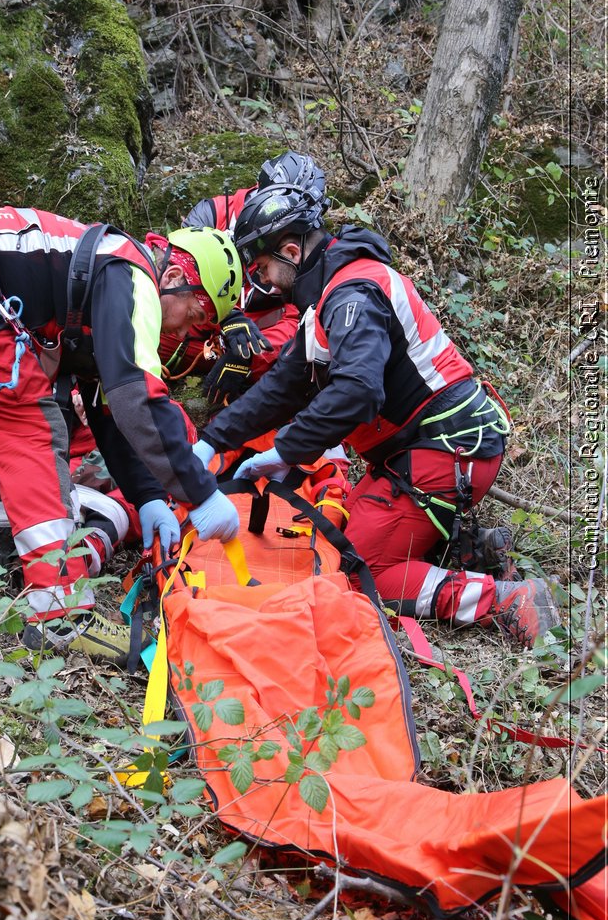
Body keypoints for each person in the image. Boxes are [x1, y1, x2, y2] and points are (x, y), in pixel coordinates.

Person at [0, 203, 243, 663]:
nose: (183, 332)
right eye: (197, 314)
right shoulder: (131, 271)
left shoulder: (99, 273)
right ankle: (62, 613)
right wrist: (200, 494)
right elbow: (134, 396)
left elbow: (106, 408)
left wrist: (146, 496)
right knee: (32, 430)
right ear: (177, 277)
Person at [191, 182, 560, 647]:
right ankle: (471, 547)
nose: (262, 282)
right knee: (341, 527)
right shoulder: (329, 296)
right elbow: (281, 390)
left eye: (263, 268)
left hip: (446, 448)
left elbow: (357, 391)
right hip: (430, 448)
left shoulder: (352, 296)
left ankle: (505, 601)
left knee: (358, 566)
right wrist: (211, 441)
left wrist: (285, 450)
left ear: (289, 250)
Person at [158, 152, 324, 405]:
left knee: (303, 358)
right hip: (185, 327)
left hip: (250, 348)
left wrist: (249, 356)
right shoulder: (212, 215)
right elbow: (176, 280)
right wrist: (229, 317)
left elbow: (299, 319)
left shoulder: (298, 250)